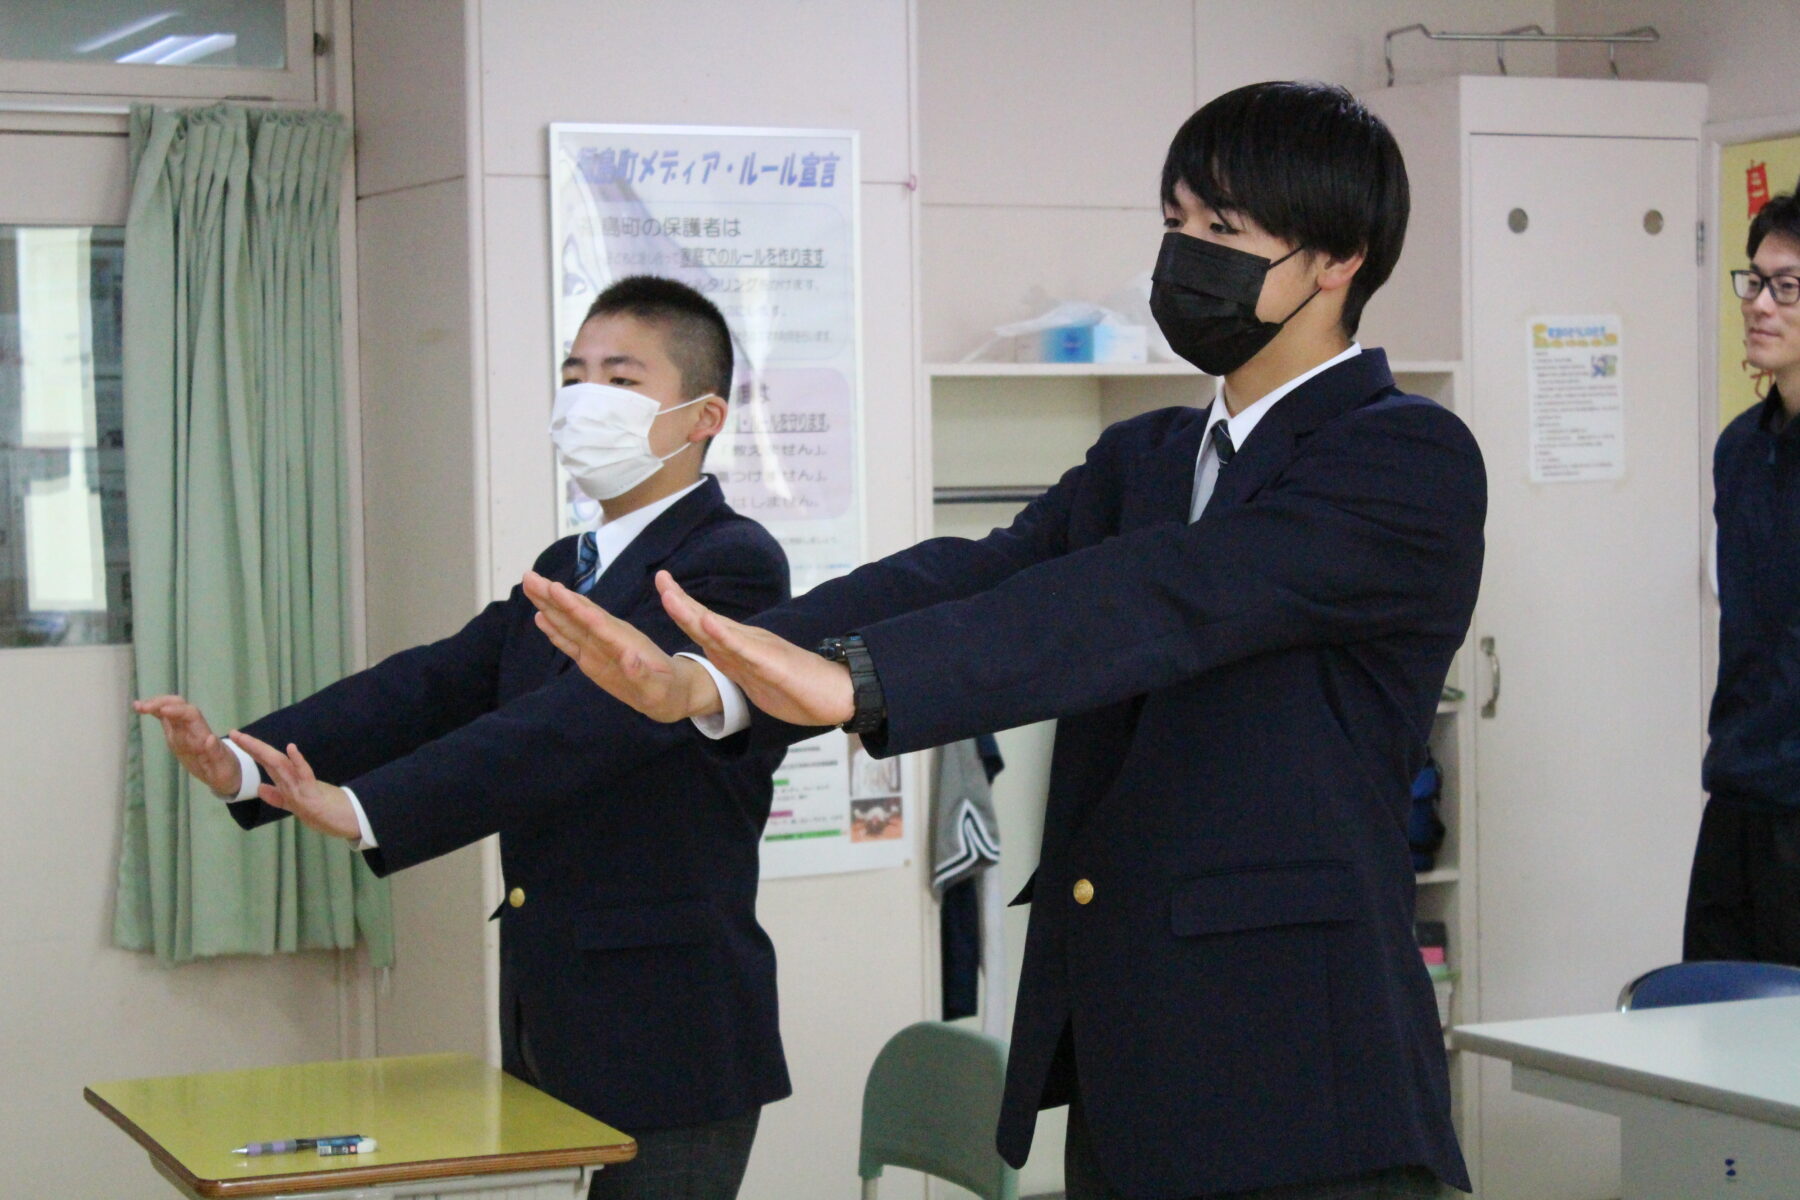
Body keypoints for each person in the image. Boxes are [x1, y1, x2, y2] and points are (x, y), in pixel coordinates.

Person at [527, 82, 1486, 1199]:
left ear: (1339, 260)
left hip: (1309, 1080)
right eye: (1175, 221)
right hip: (1132, 1065)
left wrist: (858, 684)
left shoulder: (1405, 454)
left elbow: (1157, 600)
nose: (1185, 254)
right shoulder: (1150, 456)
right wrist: (716, 670)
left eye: (1223, 231)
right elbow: (982, 571)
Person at [135, 275, 792, 1200]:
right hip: (551, 1010)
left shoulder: (731, 564)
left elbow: (570, 732)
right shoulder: (573, 564)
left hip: (670, 1030)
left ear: (701, 417)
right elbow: (431, 684)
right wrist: (251, 762)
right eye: (575, 375)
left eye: (620, 379)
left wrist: (367, 808)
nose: (584, 400)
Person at [1684, 178, 1800, 966]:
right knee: (1714, 1038)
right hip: (1739, 789)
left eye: (1787, 287)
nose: (1759, 304)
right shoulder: (1740, 448)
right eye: (1754, 280)